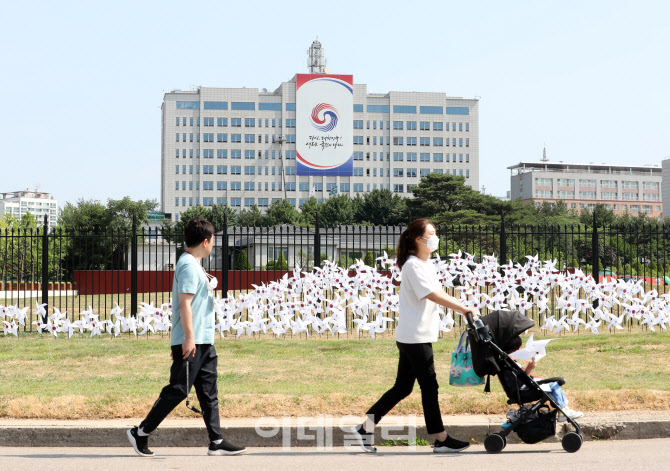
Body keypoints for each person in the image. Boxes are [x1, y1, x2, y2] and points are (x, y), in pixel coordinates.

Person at [348, 218, 477, 453]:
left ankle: (364, 428)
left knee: (403, 388)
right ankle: (441, 438)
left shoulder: (424, 263)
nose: (436, 237)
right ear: (419, 239)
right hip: (415, 336)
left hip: (415, 334)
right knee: (429, 387)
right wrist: (463, 308)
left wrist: (461, 305)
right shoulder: (413, 266)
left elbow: (436, 291)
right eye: (432, 233)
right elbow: (431, 294)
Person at [127, 216, 246, 457]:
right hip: (192, 341)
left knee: (209, 394)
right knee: (179, 389)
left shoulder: (194, 264)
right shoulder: (188, 265)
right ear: (205, 241)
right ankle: (140, 432)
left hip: (204, 340)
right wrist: (188, 338)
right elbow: (185, 304)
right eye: (212, 240)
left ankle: (217, 441)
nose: (213, 244)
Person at [503, 336, 583, 422]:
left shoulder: (508, 362)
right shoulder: (508, 365)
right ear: (515, 350)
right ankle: (563, 411)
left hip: (524, 388)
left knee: (550, 385)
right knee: (552, 385)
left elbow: (520, 378)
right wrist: (529, 369)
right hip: (524, 391)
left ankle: (564, 410)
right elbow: (521, 381)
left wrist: (527, 369)